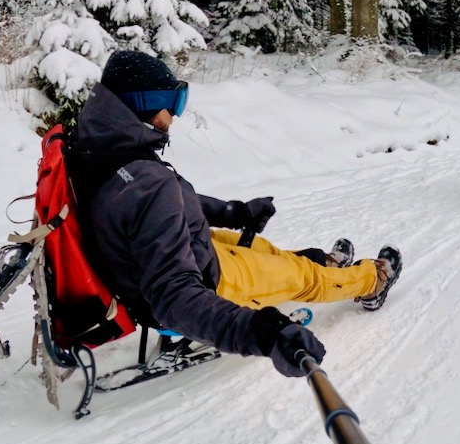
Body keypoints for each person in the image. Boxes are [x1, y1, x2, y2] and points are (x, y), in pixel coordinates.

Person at [68, 50, 403, 378]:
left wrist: (233, 212)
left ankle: (322, 262)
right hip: (207, 279)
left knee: (266, 251)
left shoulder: (100, 148)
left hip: (177, 248)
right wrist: (261, 332)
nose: (175, 116)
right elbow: (175, 296)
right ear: (142, 104)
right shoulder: (147, 181)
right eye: (171, 104)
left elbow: (163, 203)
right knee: (302, 278)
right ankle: (371, 281)